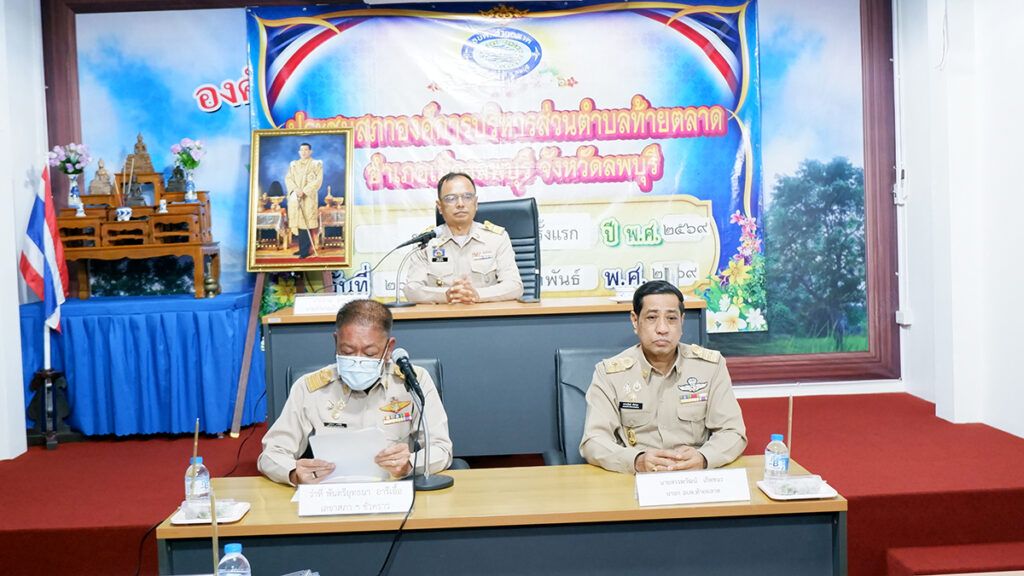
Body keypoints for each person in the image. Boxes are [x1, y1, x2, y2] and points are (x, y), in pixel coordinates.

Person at [258, 299, 453, 485]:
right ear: (336, 342)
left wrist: (409, 464)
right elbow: (271, 454)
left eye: (369, 353)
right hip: (332, 491)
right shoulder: (309, 388)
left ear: (389, 348)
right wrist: (294, 473)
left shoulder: (412, 382)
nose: (358, 361)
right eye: (348, 351)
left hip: (393, 487)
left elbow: (442, 449)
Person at [580, 280, 746, 474]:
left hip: (694, 477)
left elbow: (732, 432)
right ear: (635, 321)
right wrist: (636, 460)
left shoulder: (710, 367)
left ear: (682, 321)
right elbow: (594, 441)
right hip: (636, 478)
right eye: (652, 318)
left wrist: (704, 457)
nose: (662, 329)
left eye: (671, 318)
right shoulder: (610, 374)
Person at [402, 172, 523, 304]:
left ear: (475, 203)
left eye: (467, 197)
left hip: (486, 315)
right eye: (451, 198)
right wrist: (446, 295)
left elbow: (514, 286)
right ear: (440, 206)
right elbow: (412, 290)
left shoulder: (496, 238)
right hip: (443, 315)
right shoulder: (427, 243)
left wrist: (477, 295)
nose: (460, 204)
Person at [285, 142, 323, 259]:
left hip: (308, 198)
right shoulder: (294, 165)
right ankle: (302, 249)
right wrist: (295, 189)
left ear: (310, 151)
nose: (304, 152)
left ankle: (306, 251)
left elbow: (317, 181)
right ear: (299, 152)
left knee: (306, 224)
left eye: (306, 150)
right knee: (299, 224)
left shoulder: (316, 164)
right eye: (301, 150)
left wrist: (304, 191)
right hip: (296, 197)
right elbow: (288, 178)